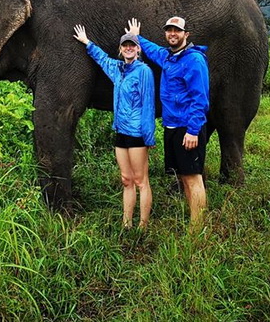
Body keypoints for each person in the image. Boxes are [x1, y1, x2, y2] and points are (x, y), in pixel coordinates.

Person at [126, 16, 209, 226]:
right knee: (183, 175)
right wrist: (137, 38)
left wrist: (192, 130)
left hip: (187, 127)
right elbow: (154, 51)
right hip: (171, 126)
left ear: (186, 34)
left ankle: (197, 229)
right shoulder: (169, 57)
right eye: (169, 30)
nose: (173, 34)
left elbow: (200, 99)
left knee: (193, 177)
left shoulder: (194, 60)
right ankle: (193, 221)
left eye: (177, 30)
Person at [73, 24, 156, 229]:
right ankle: (126, 224)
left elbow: (149, 105)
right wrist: (87, 42)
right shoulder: (118, 70)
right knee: (126, 179)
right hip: (120, 132)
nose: (128, 48)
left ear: (138, 50)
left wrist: (149, 136)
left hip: (137, 134)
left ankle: (142, 226)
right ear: (120, 49)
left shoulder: (144, 71)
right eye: (125, 45)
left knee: (141, 181)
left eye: (132, 45)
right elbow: (101, 59)